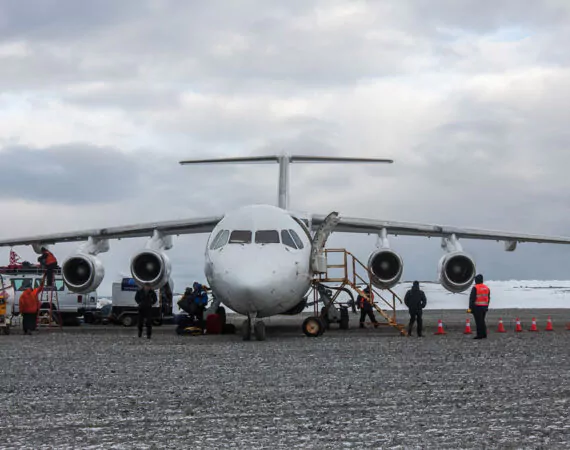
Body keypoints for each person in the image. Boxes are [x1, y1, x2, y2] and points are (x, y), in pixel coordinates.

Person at [469, 274, 490, 339]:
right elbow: (488, 298)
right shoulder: (486, 288)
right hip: (484, 306)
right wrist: (487, 306)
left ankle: (479, 335)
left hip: (477, 307)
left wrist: (470, 308)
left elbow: (472, 299)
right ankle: (484, 334)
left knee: (478, 322)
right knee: (482, 321)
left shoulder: (475, 288)